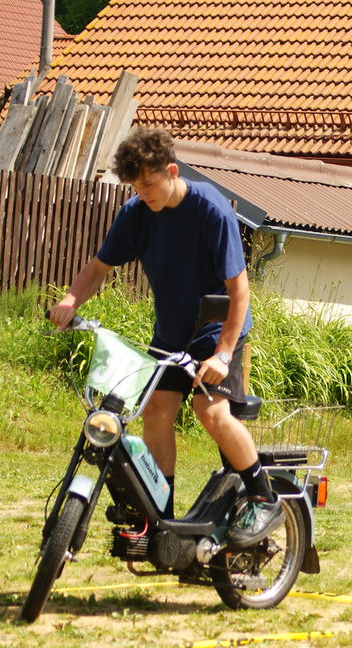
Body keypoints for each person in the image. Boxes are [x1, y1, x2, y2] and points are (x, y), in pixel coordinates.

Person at [49, 127, 281, 550]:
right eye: (136, 187)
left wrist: (223, 355)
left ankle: (264, 497)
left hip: (217, 332)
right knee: (155, 413)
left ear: (172, 172)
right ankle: (162, 520)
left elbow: (240, 291)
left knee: (210, 413)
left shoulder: (211, 210)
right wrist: (70, 300)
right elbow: (98, 268)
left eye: (148, 185)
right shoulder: (137, 212)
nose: (143, 194)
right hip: (172, 334)